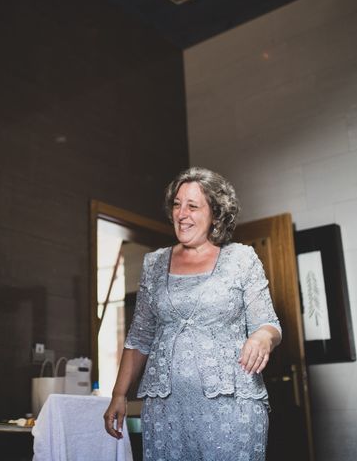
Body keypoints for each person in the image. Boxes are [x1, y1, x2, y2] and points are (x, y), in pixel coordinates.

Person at [104, 167, 282, 461]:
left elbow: (269, 323)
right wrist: (119, 394)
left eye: (192, 206)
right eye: (177, 204)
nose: (181, 213)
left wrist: (263, 337)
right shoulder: (154, 264)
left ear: (215, 213)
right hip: (166, 409)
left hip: (232, 405)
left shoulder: (241, 258)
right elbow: (140, 337)